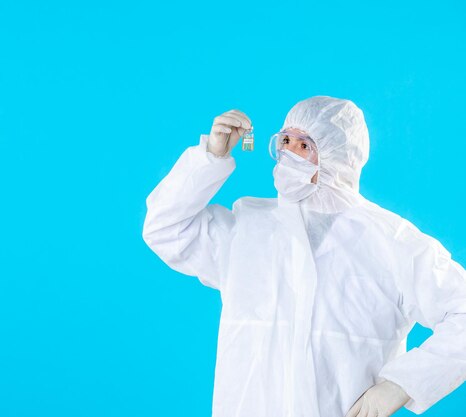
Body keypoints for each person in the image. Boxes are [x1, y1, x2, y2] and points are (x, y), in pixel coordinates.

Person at [141, 96, 466, 417]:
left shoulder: (391, 242)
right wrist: (209, 159)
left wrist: (400, 385)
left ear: (337, 157)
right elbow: (165, 229)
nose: (288, 153)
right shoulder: (248, 229)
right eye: (284, 141)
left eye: (304, 145)